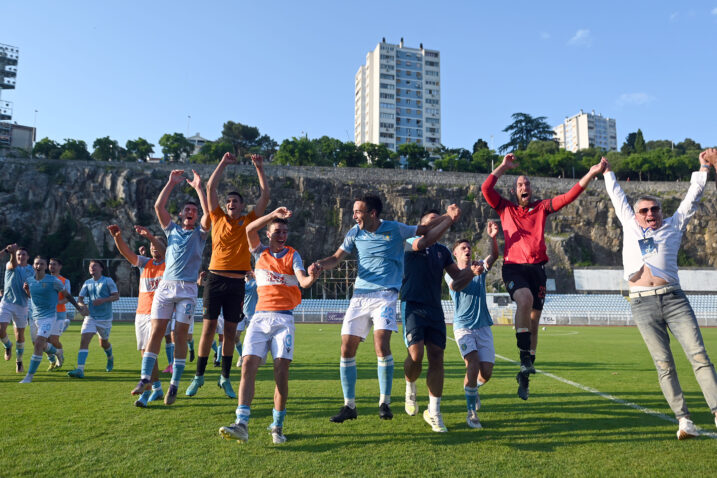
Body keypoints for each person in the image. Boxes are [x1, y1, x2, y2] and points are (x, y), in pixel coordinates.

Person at [310, 195, 458, 422]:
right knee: (346, 348)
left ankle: (384, 402)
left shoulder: (396, 229)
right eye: (353, 211)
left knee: (381, 344)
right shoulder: (355, 232)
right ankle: (349, 406)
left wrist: (449, 216)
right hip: (360, 296)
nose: (354, 216)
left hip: (385, 295)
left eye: (358, 211)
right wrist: (320, 264)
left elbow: (425, 229)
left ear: (372, 213)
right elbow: (336, 258)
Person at [602, 151, 717, 439]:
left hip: (674, 299)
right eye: (645, 211)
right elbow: (617, 196)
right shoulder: (630, 225)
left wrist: (704, 167)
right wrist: (606, 172)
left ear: (661, 212)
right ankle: (684, 420)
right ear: (637, 214)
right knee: (663, 363)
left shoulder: (673, 225)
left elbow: (693, 196)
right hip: (642, 304)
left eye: (655, 209)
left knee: (699, 356)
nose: (650, 214)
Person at [481, 153, 606, 400]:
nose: (524, 187)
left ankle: (524, 374)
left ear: (531, 189)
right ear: (514, 190)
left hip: (537, 269)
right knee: (524, 300)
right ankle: (524, 356)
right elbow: (486, 188)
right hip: (514, 267)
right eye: (519, 184)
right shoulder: (505, 207)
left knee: (535, 321)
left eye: (527, 184)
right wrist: (503, 167)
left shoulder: (541, 207)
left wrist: (591, 174)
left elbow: (569, 196)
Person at [219, 207, 318, 444]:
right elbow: (249, 228)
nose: (281, 235)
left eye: (284, 232)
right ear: (268, 233)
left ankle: (278, 425)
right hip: (260, 318)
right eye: (276, 231)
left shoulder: (293, 255)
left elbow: (303, 281)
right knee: (247, 367)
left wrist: (312, 276)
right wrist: (272, 213)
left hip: (283, 319)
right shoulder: (259, 253)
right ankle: (242, 423)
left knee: (281, 373)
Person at [186, 152, 269, 399]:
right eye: (229, 201)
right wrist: (222, 162)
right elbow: (210, 187)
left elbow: (265, 196)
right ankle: (199, 377)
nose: (232, 203)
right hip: (215, 279)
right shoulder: (217, 216)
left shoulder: (250, 220)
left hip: (237, 282)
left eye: (236, 201)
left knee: (231, 333)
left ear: (243, 206)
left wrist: (259, 168)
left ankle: (224, 378)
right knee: (208, 329)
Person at [131, 169, 209, 405]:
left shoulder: (200, 234)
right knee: (156, 332)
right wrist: (170, 183)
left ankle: (174, 384)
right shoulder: (171, 229)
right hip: (166, 287)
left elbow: (210, 214)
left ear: (196, 217)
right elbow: (158, 207)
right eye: (187, 209)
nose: (191, 212)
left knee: (181, 336)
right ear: (181, 214)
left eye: (194, 211)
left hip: (186, 289)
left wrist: (199, 188)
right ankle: (145, 378)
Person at [401, 207, 469, 433]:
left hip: (434, 308)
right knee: (416, 355)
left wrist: (474, 272)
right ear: (421, 225)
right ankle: (410, 385)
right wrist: (448, 219)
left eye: (439, 221)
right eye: (433, 222)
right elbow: (424, 242)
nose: (437, 225)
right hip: (412, 304)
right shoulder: (410, 241)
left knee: (437, 357)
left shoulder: (442, 251)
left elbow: (458, 278)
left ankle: (434, 412)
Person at [445, 222, 499, 429]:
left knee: (486, 373)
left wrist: (493, 237)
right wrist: (472, 273)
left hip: (483, 326)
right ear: (455, 255)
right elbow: (457, 286)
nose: (467, 250)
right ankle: (471, 413)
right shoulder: (451, 273)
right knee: (473, 363)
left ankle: (473, 389)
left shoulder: (479, 267)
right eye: (463, 248)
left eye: (469, 247)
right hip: (463, 327)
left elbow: (493, 257)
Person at [108, 223, 169, 407]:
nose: (153, 249)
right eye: (151, 247)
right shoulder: (145, 263)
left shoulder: (169, 263)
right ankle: (157, 389)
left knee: (150, 352)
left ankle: (146, 392)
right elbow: (128, 254)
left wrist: (152, 237)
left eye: (156, 246)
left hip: (158, 314)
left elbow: (164, 252)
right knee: (145, 354)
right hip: (141, 313)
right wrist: (117, 237)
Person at [20, 256, 85, 383]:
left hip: (49, 317)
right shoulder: (29, 281)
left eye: (42, 264)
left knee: (39, 344)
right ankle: (58, 353)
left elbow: (68, 296)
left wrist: (78, 308)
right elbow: (33, 297)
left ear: (45, 266)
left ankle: (29, 376)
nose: (39, 266)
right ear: (33, 266)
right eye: (37, 264)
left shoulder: (54, 281)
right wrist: (27, 290)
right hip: (34, 317)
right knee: (40, 344)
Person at [67, 260, 120, 378]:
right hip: (91, 317)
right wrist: (83, 306)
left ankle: (110, 357)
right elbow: (80, 299)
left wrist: (104, 300)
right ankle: (80, 370)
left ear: (101, 268)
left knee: (103, 343)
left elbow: (116, 296)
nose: (92, 268)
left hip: (105, 318)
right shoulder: (87, 283)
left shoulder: (108, 281)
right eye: (90, 266)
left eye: (95, 266)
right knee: (84, 340)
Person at [0, 244, 34, 373]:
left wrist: (27, 290)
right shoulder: (10, 264)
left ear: (28, 257)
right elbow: (13, 264)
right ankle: (8, 345)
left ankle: (19, 361)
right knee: (0, 329)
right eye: (19, 254)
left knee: (20, 336)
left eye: (23, 254)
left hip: (22, 305)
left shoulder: (31, 271)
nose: (21, 256)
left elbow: (31, 295)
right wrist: (12, 253)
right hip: (7, 302)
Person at [46, 257, 71, 370]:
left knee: (54, 340)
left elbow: (67, 298)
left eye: (54, 264)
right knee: (45, 340)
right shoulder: (44, 279)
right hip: (46, 314)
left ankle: (59, 358)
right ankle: (52, 361)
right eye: (50, 264)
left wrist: (56, 302)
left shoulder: (65, 281)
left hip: (59, 314)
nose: (52, 266)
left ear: (60, 267)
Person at [237, 270, 257, 367]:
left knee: (249, 338)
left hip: (252, 314)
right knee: (235, 337)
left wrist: (255, 276)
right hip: (240, 314)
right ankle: (241, 355)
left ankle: (246, 358)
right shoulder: (240, 283)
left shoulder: (255, 283)